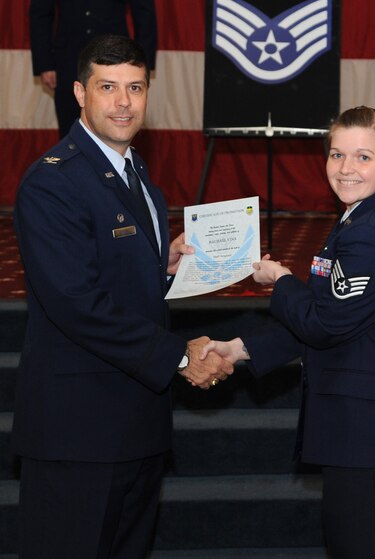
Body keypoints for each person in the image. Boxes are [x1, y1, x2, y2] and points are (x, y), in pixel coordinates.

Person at [13, 34, 232, 558]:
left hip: (137, 425)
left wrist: (165, 267)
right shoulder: (52, 183)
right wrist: (180, 356)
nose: (124, 102)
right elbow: (76, 303)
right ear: (79, 93)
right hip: (78, 434)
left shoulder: (140, 178)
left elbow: (120, 279)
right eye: (108, 87)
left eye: (135, 87)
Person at [201, 106, 375, 559]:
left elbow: (323, 323)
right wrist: (239, 348)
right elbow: (330, 313)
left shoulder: (371, 232)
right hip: (363, 435)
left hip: (373, 438)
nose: (346, 168)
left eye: (363, 157)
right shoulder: (357, 219)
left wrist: (280, 279)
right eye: (336, 154)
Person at [30, 0, 158, 139]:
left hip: (116, 64)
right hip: (68, 64)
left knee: (115, 127)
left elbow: (145, 15)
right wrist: (45, 64)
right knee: (71, 131)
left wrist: (142, 65)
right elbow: (40, 15)